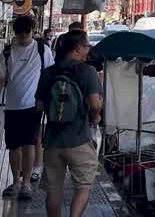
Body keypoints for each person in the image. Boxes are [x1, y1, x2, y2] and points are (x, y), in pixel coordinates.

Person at [37, 30, 103, 217]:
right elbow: (95, 104)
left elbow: (39, 105)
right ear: (77, 49)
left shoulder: (49, 72)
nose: (88, 49)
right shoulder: (87, 71)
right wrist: (95, 116)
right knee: (84, 185)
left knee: (54, 189)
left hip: (52, 141)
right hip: (79, 139)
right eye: (86, 46)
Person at [0, 15, 53, 200]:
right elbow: (0, 79)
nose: (22, 38)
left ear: (32, 31)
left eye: (25, 34)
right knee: (13, 146)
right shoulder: (7, 52)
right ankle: (16, 181)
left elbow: (49, 76)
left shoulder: (43, 49)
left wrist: (45, 99)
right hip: (11, 106)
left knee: (29, 144)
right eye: (19, 35)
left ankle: (26, 182)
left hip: (33, 106)